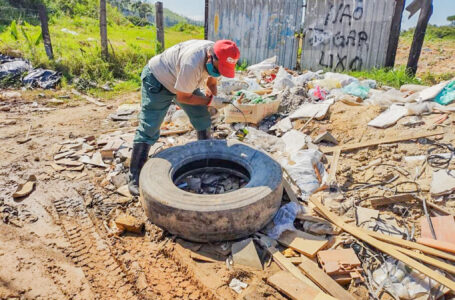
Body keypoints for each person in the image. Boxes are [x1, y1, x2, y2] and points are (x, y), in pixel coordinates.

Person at [128, 39, 240, 196]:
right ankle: (134, 176)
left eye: (222, 70)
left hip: (184, 82)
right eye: (217, 68)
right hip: (159, 80)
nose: (218, 71)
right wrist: (209, 101)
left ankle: (206, 160)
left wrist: (213, 104)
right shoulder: (191, 63)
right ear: (210, 56)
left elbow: (212, 83)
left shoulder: (219, 53)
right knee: (150, 126)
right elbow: (183, 98)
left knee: (202, 117)